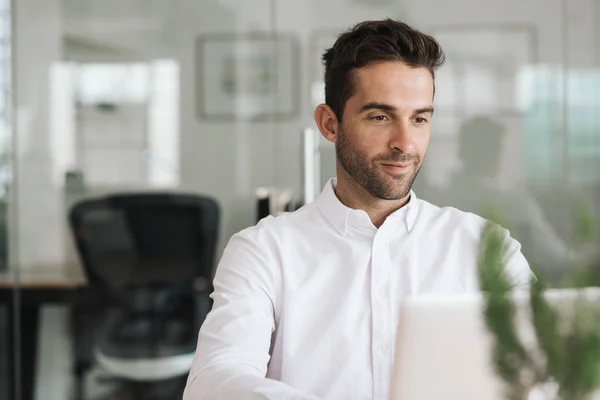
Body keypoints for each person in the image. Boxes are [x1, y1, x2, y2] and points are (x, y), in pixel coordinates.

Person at [182, 19, 533, 400]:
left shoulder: (486, 247)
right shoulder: (264, 251)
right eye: (380, 117)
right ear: (330, 124)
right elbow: (213, 381)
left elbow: (541, 377)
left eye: (419, 118)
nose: (404, 142)